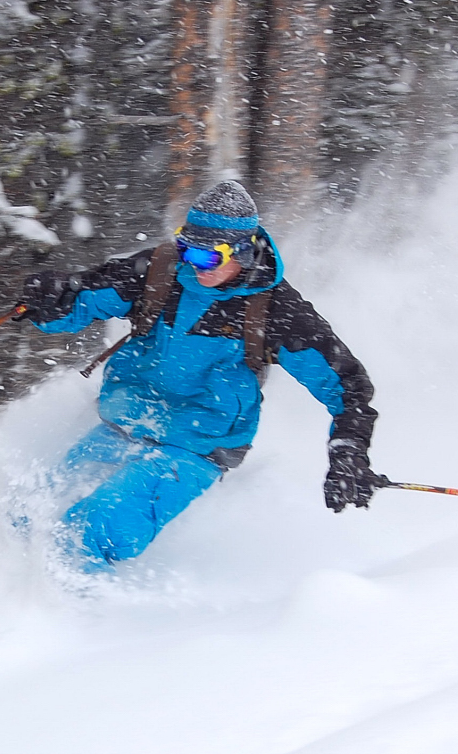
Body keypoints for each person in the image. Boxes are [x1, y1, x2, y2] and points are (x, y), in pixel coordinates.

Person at [19, 180, 386, 570]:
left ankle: (81, 622)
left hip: (194, 448)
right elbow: (80, 303)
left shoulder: (276, 310)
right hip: (122, 426)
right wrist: (49, 300)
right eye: (187, 248)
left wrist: (348, 454)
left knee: (82, 537)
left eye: (208, 257)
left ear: (242, 252)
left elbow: (348, 388)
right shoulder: (159, 272)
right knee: (28, 516)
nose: (194, 264)